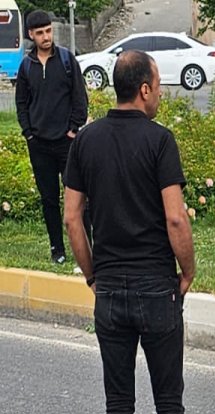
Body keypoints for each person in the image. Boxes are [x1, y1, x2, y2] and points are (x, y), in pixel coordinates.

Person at [63, 51, 215, 414]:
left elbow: (71, 218)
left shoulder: (85, 141)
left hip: (110, 291)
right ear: (146, 89)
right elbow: (175, 218)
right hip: (156, 288)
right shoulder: (159, 140)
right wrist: (188, 271)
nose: (161, 92)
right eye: (158, 84)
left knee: (118, 406)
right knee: (168, 403)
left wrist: (92, 273)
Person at [15, 9, 88, 265]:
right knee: (49, 200)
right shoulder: (26, 66)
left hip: (67, 144)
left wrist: (73, 130)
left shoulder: (68, 60)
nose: (46, 36)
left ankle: (86, 247)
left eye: (48, 31)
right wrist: (29, 134)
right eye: (40, 33)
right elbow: (21, 102)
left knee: (78, 199)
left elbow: (80, 99)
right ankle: (57, 248)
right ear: (31, 35)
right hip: (39, 145)